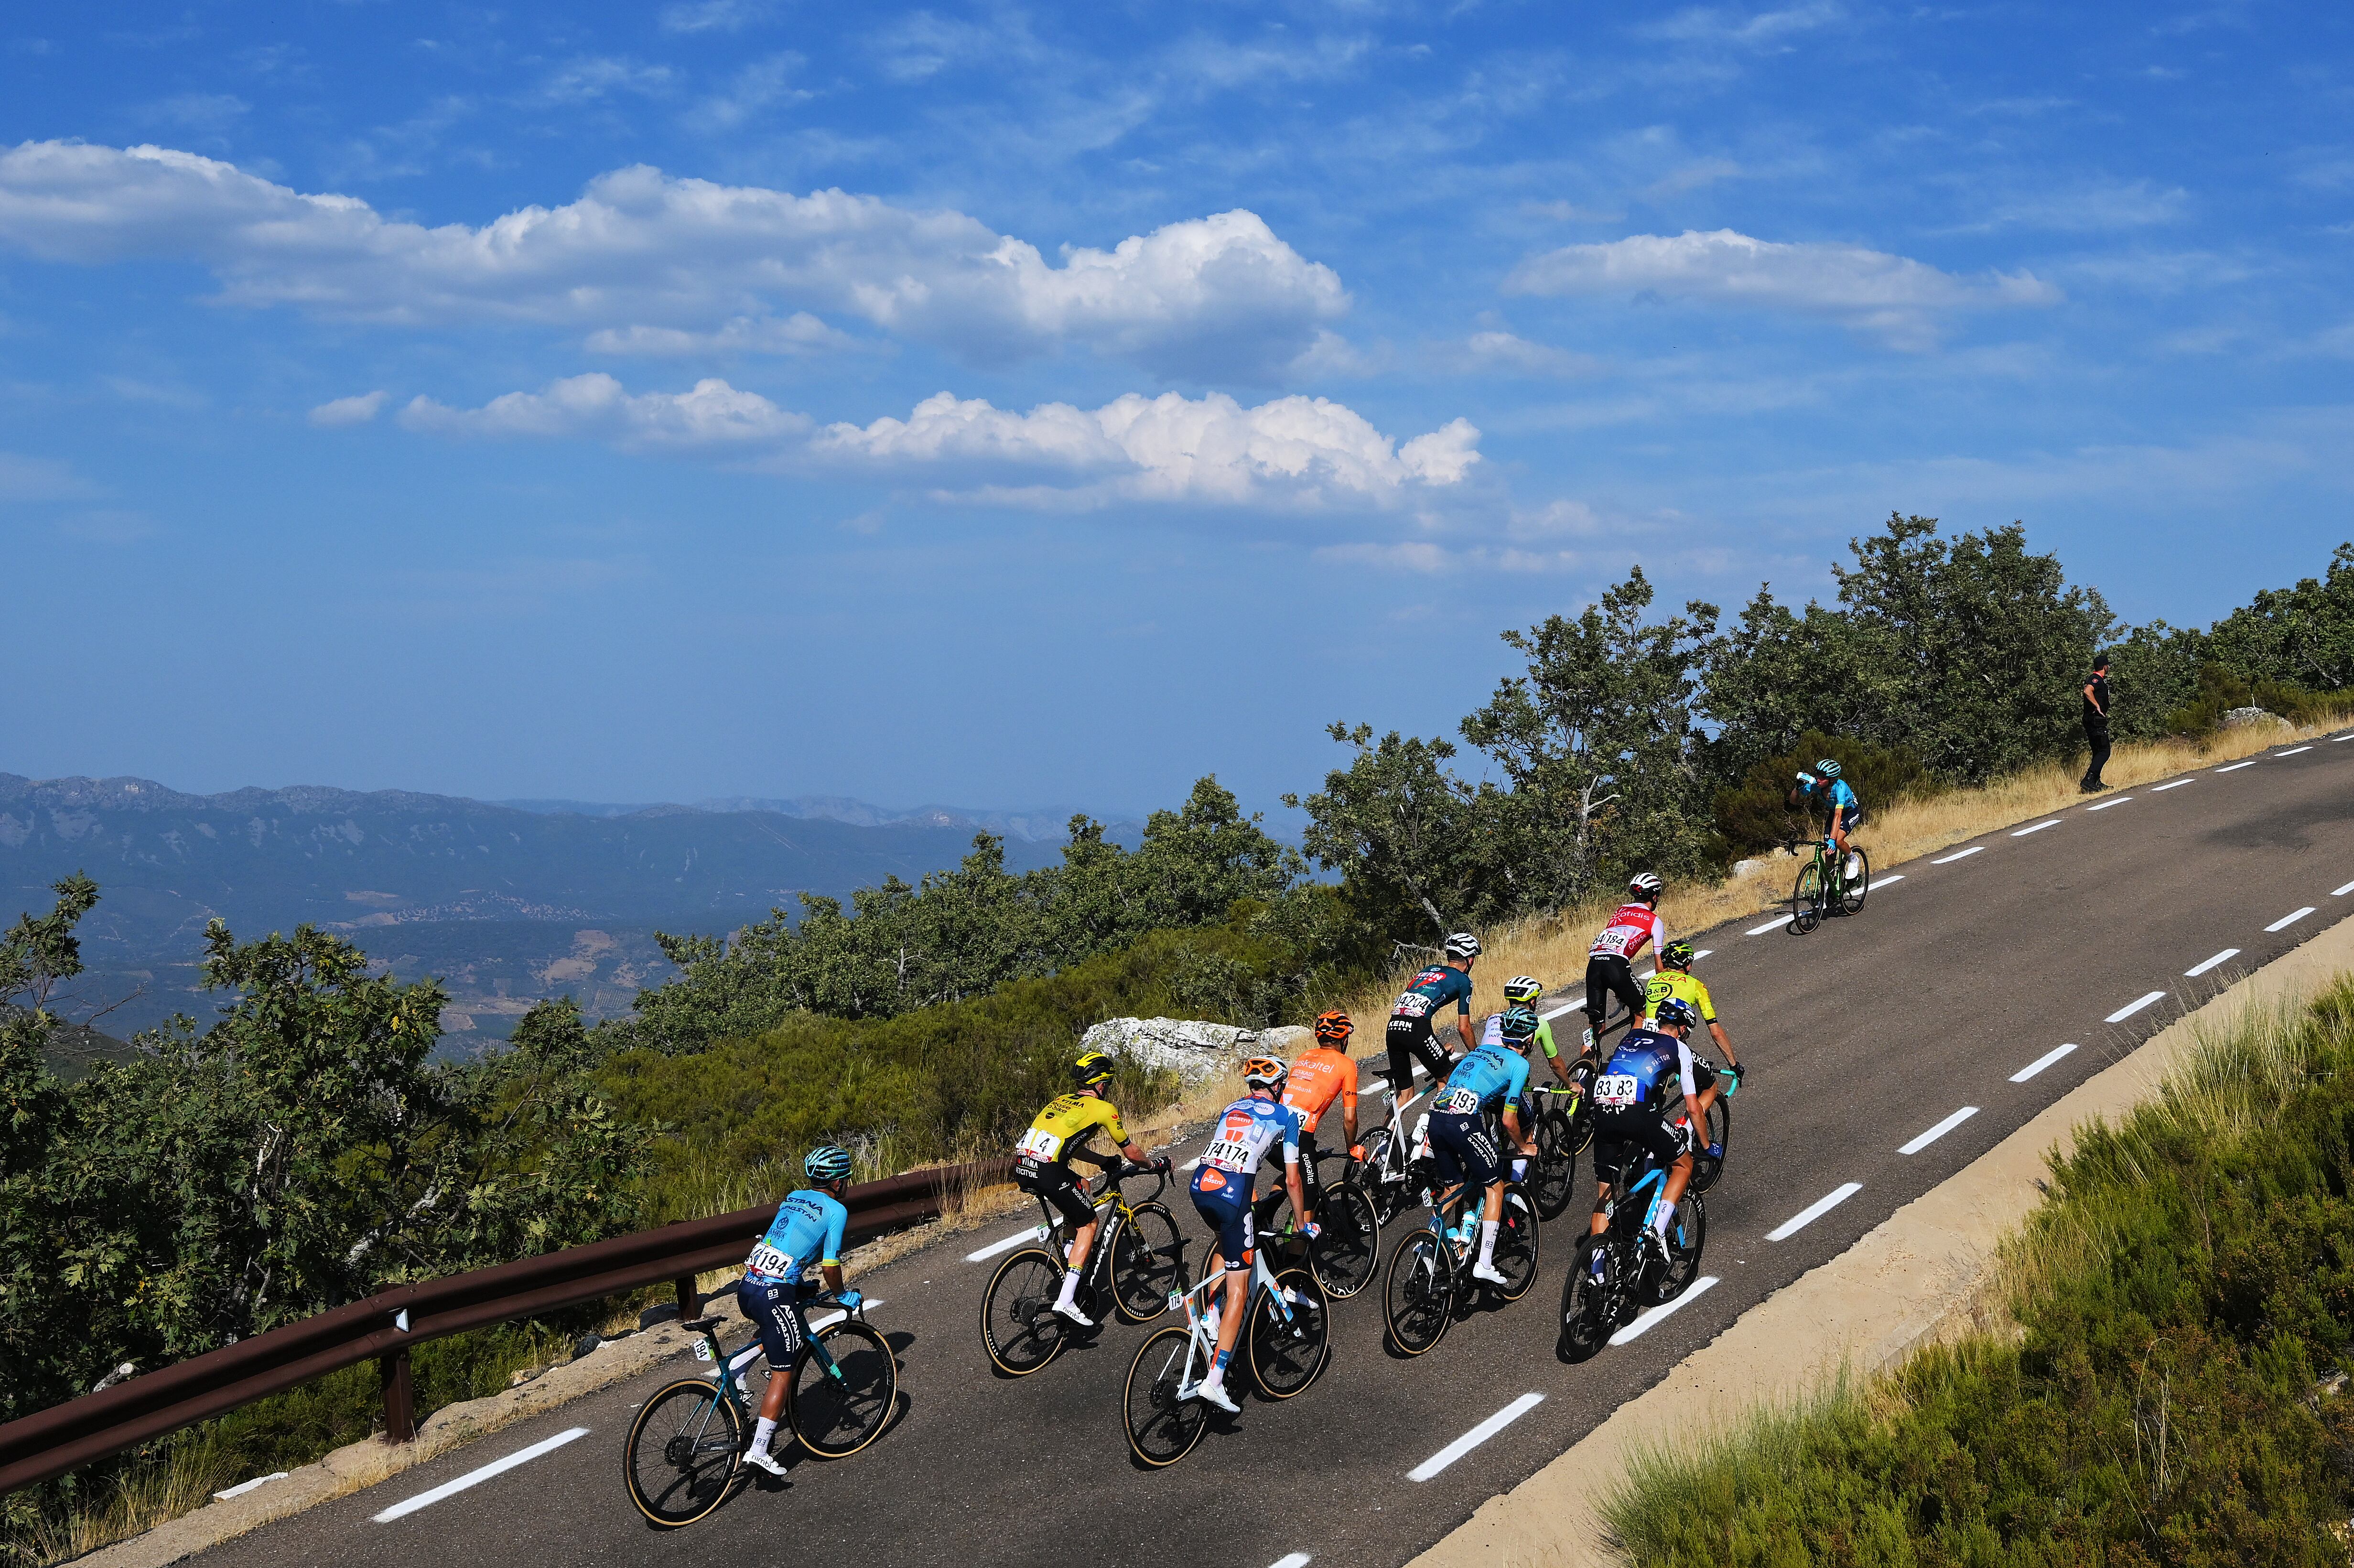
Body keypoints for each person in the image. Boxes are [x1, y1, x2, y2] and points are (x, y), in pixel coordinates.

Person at [1189, 1055, 1312, 1413]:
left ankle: (1211, 1314)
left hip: (1201, 1185)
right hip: (1232, 1193)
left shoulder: (1231, 1106)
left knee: (1225, 1242)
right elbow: (1291, 1178)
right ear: (1278, 1086)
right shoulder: (1287, 1115)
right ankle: (1215, 1380)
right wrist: (1302, 1224)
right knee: (1240, 1289)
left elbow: (1233, 1150)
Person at [1011, 1051, 1169, 1329]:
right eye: (1107, 1084)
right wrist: (1152, 1164)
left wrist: (1103, 1162)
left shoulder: (1060, 1101)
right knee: (1090, 1223)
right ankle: (1067, 1299)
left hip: (1023, 1166)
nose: (1107, 1088)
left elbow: (1072, 1145)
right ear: (1101, 1084)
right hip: (1048, 1172)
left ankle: (1071, 1255)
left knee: (1082, 1186)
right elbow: (1132, 1152)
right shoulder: (1104, 1110)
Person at [735, 1145, 863, 1476]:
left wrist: (801, 1284)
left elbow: (787, 1244)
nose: (847, 1184)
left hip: (749, 1285)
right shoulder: (836, 1210)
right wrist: (843, 1294)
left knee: (776, 1329)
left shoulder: (793, 1196)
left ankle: (740, 1363)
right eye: (846, 1179)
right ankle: (760, 1449)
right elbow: (830, 1265)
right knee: (784, 1370)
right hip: (774, 1292)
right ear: (836, 1183)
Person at [1586, 997, 1712, 1275]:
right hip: (1636, 1109)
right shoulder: (1680, 1049)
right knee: (1683, 1165)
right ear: (1680, 1029)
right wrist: (1706, 1144)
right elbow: (1692, 1108)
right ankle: (1656, 1228)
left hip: (1602, 1106)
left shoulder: (1633, 1034)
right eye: (1687, 1032)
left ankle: (1596, 1275)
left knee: (1604, 1196)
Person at [1428, 1004, 1541, 1286]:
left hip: (1437, 1118)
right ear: (1528, 1041)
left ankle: (1430, 1245)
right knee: (1495, 1186)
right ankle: (1485, 1263)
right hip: (1463, 1122)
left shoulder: (1477, 1051)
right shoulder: (1520, 1065)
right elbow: (1508, 1119)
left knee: (1453, 1189)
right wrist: (1522, 1148)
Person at [1641, 941, 1744, 1160]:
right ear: (1687, 965)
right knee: (1711, 1086)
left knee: (1654, 1099)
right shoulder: (1696, 985)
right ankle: (1688, 1128)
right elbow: (1715, 1031)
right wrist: (1734, 1064)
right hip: (1672, 1046)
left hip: (1645, 1044)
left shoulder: (1652, 981)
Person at [1273, 1010, 1361, 1227]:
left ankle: (1262, 1216)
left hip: (1272, 1131)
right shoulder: (1346, 1065)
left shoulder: (1305, 1056)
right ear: (1344, 1039)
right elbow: (1350, 1118)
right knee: (1308, 1199)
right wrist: (1352, 1147)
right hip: (1298, 1137)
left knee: (1290, 1173)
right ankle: (1295, 1257)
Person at [1385, 932, 1481, 1095]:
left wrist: (1437, 1049)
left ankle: (1391, 1121)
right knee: (1445, 1079)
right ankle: (1435, 1120)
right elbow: (1464, 1028)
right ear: (1470, 960)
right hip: (1417, 1029)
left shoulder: (1429, 970)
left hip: (1393, 1027)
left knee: (1405, 1094)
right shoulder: (1464, 981)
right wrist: (1478, 1055)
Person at [1584, 874, 1667, 1060]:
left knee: (1596, 1027)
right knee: (1643, 1015)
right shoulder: (1655, 921)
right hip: (1616, 966)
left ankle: (1582, 1074)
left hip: (1594, 965)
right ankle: (1624, 1060)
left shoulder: (1620, 911)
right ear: (1655, 896)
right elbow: (1659, 968)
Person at [1790, 759, 1863, 884]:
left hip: (1849, 813)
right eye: (1817, 774)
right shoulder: (1815, 785)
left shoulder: (1840, 788)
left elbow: (1838, 816)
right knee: (1829, 852)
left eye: (1823, 777)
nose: (1818, 778)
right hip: (1834, 812)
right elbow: (1793, 801)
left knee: (1838, 841)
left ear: (1831, 779)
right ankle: (1830, 885)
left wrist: (1833, 840)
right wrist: (1797, 787)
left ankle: (1853, 859)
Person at [1503, 973, 1579, 1089]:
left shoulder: (1495, 1019)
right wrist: (1569, 1085)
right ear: (1533, 1002)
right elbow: (1555, 1065)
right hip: (1504, 1081)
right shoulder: (1539, 1024)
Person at [2081, 655, 2113, 793]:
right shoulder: (2096, 679)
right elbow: (2087, 691)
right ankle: (2089, 780)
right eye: (2108, 665)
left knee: (2097, 751)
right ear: (2105, 667)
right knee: (2105, 751)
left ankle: (2096, 781)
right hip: (2095, 721)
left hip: (2095, 720)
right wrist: (2097, 706)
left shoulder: (2102, 681)